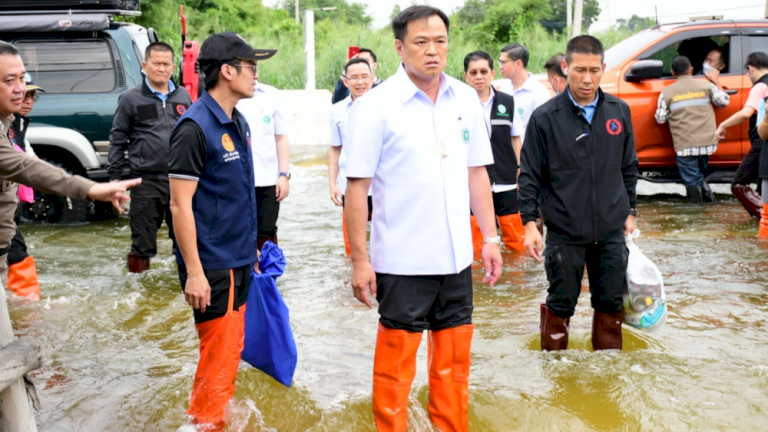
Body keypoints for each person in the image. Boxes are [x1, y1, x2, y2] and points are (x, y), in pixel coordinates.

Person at [344, 6, 502, 431]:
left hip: (455, 261)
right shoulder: (374, 106)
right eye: (421, 42)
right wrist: (360, 260)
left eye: (440, 41)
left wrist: (490, 237)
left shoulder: (465, 98)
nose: (433, 51)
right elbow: (356, 189)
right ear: (399, 47)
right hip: (402, 261)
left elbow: (477, 173)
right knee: (395, 373)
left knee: (453, 371)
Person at [168, 32, 275, 428]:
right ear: (228, 71)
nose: (256, 75)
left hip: (240, 258)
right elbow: (179, 205)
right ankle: (204, 423)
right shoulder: (194, 127)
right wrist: (195, 272)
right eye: (251, 67)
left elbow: (237, 194)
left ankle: (211, 418)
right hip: (213, 265)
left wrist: (254, 252)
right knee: (218, 355)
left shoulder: (237, 121)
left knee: (229, 352)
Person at [519, 35, 639, 352]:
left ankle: (607, 369)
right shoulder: (545, 118)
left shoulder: (619, 111)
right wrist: (530, 223)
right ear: (565, 67)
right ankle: (555, 369)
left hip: (611, 230)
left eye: (594, 71)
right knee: (560, 302)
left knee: (611, 301)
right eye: (579, 70)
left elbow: (629, 166)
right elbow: (529, 173)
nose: (587, 79)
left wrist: (630, 211)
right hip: (563, 231)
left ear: (603, 69)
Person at [0, 40, 140, 287]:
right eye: (9, 81)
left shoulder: (10, 123)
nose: (21, 90)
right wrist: (91, 189)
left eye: (23, 79)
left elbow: (29, 161)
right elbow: (27, 168)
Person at [108, 42, 192, 273]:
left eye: (166, 64)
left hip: (179, 180)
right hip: (145, 183)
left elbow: (194, 137)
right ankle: (138, 288)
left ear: (173, 66)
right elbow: (117, 141)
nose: (161, 69)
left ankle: (185, 283)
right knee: (142, 244)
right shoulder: (130, 99)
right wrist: (115, 183)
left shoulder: (183, 95)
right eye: (156, 63)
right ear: (145, 66)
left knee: (185, 240)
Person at [463, 50, 526, 252]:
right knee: (475, 240)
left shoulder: (507, 102)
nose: (478, 76)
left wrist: (519, 169)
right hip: (471, 180)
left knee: (515, 238)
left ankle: (516, 280)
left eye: (483, 71)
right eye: (473, 72)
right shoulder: (459, 104)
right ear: (466, 76)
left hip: (505, 178)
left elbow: (515, 137)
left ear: (492, 73)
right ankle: (478, 280)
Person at [655, 55, 729, 203]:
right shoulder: (706, 86)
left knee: (693, 181)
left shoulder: (667, 92)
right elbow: (724, 101)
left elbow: (660, 118)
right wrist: (716, 81)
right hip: (708, 143)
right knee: (698, 176)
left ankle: (698, 213)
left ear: (672, 72)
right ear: (691, 70)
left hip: (685, 146)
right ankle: (711, 207)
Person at [236, 60, 290, 250]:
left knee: (266, 232)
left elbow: (281, 137)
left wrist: (284, 175)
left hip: (268, 179)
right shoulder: (230, 97)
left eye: (255, 68)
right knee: (238, 230)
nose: (255, 74)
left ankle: (267, 276)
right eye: (250, 69)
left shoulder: (272, 95)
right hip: (237, 180)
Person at [328, 57, 374, 256]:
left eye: (364, 76)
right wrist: (332, 183)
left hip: (382, 183)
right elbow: (335, 149)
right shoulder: (337, 111)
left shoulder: (386, 107)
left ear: (373, 78)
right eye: (354, 77)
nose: (360, 82)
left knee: (386, 238)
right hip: (351, 183)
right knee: (353, 244)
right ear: (346, 82)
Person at [715, 52, 768, 221]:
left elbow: (747, 112)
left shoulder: (760, 87)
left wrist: (723, 125)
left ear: (751, 69)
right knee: (762, 185)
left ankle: (762, 218)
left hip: (762, 144)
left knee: (739, 183)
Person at [5, 73, 44, 300]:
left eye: (32, 96)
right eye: (23, 94)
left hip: (11, 204)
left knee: (15, 251)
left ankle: (25, 305)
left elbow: (31, 158)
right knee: (17, 252)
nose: (27, 100)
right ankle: (28, 307)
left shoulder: (19, 123)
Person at [497, 43, 551, 139]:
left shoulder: (539, 93)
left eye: (503, 63)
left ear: (518, 64)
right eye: (499, 63)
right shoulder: (503, 89)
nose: (500, 67)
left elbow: (545, 129)